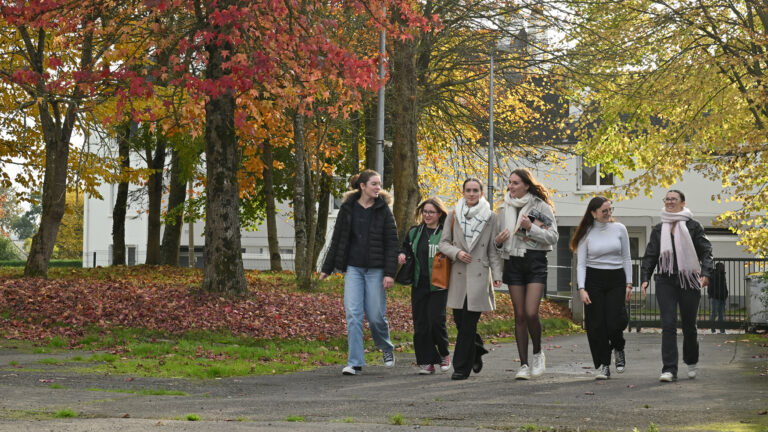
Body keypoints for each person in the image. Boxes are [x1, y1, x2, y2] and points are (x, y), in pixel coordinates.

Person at [320, 169, 399, 376]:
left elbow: (392, 243)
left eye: (379, 184)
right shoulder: (348, 209)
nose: (378, 187)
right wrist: (326, 268)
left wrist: (390, 273)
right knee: (353, 315)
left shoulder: (383, 210)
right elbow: (337, 240)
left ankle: (386, 347)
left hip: (376, 270)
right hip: (354, 269)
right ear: (362, 186)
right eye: (374, 184)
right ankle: (355, 362)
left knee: (375, 316)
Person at [641, 190, 713, 382]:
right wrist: (645, 277)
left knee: (689, 325)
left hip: (689, 280)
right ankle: (669, 369)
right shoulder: (659, 229)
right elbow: (651, 255)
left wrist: (705, 273)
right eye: (667, 199)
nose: (670, 202)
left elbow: (706, 251)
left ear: (683, 203)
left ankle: (691, 361)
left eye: (674, 199)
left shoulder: (693, 226)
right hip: (665, 280)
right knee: (668, 324)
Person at [494, 168, 559, 380]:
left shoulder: (541, 206)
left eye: (515, 183)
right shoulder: (502, 209)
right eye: (509, 183)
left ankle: (538, 353)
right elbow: (494, 243)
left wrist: (531, 227)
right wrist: (498, 242)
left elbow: (553, 237)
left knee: (531, 312)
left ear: (526, 185)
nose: (510, 187)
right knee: (519, 315)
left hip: (535, 261)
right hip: (512, 262)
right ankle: (523, 364)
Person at [438, 178, 503, 380]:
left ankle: (461, 367)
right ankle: (476, 350)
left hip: (480, 274)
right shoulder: (453, 214)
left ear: (481, 193)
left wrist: (498, 275)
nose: (472, 193)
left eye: (476, 190)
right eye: (468, 190)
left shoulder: (491, 217)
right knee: (459, 320)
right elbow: (443, 243)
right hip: (458, 273)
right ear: (463, 192)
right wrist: (456, 253)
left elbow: (492, 249)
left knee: (468, 323)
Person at [570, 197, 632, 380]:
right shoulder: (585, 232)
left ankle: (619, 348)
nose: (608, 213)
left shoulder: (620, 229)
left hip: (616, 279)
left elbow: (627, 258)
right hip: (593, 280)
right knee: (596, 325)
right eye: (604, 211)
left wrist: (629, 283)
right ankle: (603, 365)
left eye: (610, 209)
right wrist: (582, 288)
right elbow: (581, 264)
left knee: (614, 322)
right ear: (593, 213)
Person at [398, 197, 452, 374]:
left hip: (439, 284)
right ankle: (426, 362)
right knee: (421, 324)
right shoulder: (415, 232)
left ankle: (444, 353)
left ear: (439, 214)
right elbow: (405, 248)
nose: (427, 215)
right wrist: (402, 254)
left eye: (431, 212)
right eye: (425, 212)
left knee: (436, 321)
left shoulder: (445, 232)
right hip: (419, 283)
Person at [708, 262, 728, 334]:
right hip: (716, 297)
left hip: (722, 297)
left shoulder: (723, 275)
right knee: (714, 313)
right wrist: (711, 294)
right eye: (722, 267)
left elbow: (724, 286)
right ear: (718, 268)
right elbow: (710, 286)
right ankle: (713, 330)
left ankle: (722, 330)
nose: (723, 268)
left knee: (721, 314)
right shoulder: (714, 275)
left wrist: (726, 294)